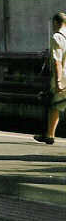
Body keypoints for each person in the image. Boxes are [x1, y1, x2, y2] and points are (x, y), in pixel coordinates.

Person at [34, 12, 66, 144]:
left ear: (56, 23)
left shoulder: (57, 37)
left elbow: (57, 61)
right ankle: (48, 134)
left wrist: (58, 81)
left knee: (54, 105)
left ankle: (49, 135)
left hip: (63, 77)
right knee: (57, 104)